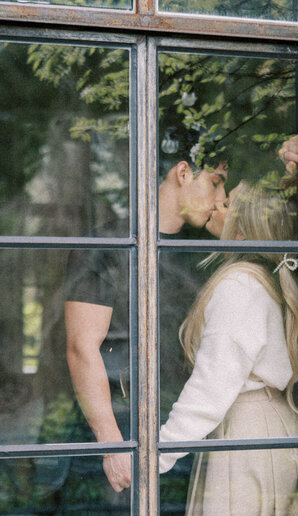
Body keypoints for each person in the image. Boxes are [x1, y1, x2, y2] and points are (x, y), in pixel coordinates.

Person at [159, 183, 298, 516]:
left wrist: (155, 454)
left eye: (227, 206)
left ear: (243, 232)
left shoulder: (240, 285)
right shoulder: (269, 281)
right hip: (274, 426)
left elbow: (211, 385)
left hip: (246, 431)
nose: (216, 208)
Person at [65, 127, 228, 493]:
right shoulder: (105, 245)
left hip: (192, 429)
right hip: (122, 426)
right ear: (183, 172)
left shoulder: (207, 252)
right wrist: (112, 444)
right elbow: (81, 346)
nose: (221, 199)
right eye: (216, 183)